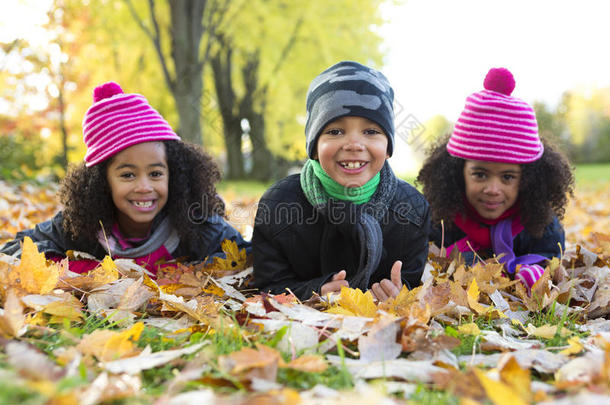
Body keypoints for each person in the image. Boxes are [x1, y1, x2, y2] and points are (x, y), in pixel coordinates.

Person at [0, 82, 250, 275]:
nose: (144, 187)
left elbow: (248, 257)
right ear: (101, 181)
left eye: (155, 174)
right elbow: (14, 250)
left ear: (173, 175)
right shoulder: (79, 226)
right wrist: (88, 274)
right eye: (128, 175)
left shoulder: (199, 226)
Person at [252, 61, 430, 301]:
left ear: (388, 148)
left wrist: (399, 296)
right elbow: (270, 283)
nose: (354, 145)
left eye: (371, 131)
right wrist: (313, 292)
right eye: (335, 131)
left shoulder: (411, 210)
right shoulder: (279, 205)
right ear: (314, 147)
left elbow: (411, 280)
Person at [417, 67, 574, 289]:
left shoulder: (539, 222)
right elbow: (424, 253)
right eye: (480, 174)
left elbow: (549, 252)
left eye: (508, 177)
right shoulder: (441, 220)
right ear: (457, 171)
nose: (492, 189)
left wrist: (535, 267)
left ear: (528, 178)